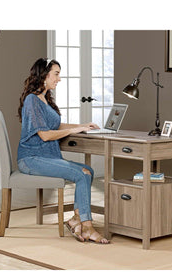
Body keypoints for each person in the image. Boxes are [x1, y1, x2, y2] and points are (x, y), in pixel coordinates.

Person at [17, 58, 110, 244]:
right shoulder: (32, 100)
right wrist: (73, 131)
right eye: (56, 74)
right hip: (32, 159)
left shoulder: (44, 98)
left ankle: (76, 219)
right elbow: (44, 135)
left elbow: (56, 125)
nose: (59, 79)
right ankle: (87, 226)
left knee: (88, 171)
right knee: (82, 173)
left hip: (46, 157)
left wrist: (82, 125)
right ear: (44, 75)